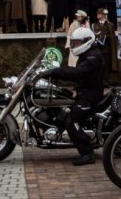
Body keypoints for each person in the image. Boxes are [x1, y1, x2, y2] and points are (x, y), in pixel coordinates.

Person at [42, 26, 107, 165]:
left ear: (87, 41)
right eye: (74, 43)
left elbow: (78, 73)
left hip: (89, 96)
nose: (75, 46)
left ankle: (87, 153)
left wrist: (56, 71)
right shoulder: (88, 54)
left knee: (71, 121)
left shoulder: (93, 56)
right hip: (85, 92)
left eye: (77, 43)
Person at [93, 7, 119, 75]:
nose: (97, 15)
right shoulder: (94, 25)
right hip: (97, 49)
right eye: (97, 13)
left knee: (106, 66)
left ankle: (106, 82)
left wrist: (105, 37)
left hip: (106, 49)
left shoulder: (110, 25)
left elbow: (112, 37)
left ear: (103, 15)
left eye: (99, 14)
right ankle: (99, 81)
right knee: (98, 66)